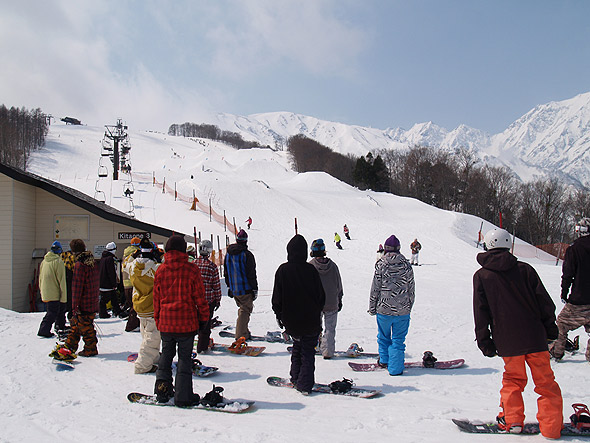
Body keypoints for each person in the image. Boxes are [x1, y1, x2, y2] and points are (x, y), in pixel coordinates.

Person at [473, 228, 562, 438]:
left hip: (508, 340)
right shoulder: (525, 270)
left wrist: (485, 342)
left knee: (513, 380)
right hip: (535, 337)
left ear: (488, 246)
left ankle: (512, 420)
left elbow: (481, 312)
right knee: (546, 382)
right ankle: (551, 427)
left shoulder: (482, 275)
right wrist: (550, 330)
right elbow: (545, 304)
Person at [153, 235, 210, 407]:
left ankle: (162, 392)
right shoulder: (191, 270)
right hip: (186, 323)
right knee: (184, 359)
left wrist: (158, 319)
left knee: (166, 356)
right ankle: (183, 396)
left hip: (166, 322)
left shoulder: (161, 270)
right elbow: (200, 298)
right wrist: (204, 318)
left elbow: (156, 299)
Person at [272, 235, 325, 394]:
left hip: (291, 321)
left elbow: (277, 297)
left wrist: (279, 314)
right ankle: (305, 384)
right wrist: (317, 311)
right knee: (307, 351)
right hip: (310, 320)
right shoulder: (311, 270)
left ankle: (296, 377)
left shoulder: (283, 270)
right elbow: (321, 296)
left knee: (297, 347)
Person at [368, 234, 415, 376]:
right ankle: (395, 368)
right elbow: (411, 288)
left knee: (383, 336)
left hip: (384, 308)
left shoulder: (381, 264)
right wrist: (409, 306)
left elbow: (375, 288)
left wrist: (372, 307)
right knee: (398, 339)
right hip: (402, 310)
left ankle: (384, 360)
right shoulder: (406, 265)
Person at [549, 217, 590, 362]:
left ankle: (557, 351)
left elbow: (568, 274)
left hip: (579, 298)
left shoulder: (574, 249)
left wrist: (564, 292)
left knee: (562, 324)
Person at [128, 238, 161, 374]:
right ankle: (142, 365)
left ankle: (153, 358)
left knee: (146, 334)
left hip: (138, 304)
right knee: (152, 338)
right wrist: (159, 257)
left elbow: (125, 264)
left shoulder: (132, 266)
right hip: (152, 305)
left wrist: (133, 255)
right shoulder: (155, 267)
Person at [63, 239, 100, 357]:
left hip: (83, 302)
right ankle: (69, 346)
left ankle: (90, 348)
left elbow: (77, 287)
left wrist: (74, 306)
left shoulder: (80, 265)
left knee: (85, 327)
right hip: (92, 299)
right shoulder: (92, 262)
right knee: (77, 324)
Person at [309, 238, 343, 359]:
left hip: (315, 303)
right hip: (331, 301)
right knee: (330, 329)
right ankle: (328, 351)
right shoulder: (333, 266)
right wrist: (339, 298)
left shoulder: (310, 266)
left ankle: (314, 347)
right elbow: (338, 284)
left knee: (314, 327)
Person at [224, 229, 258, 340]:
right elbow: (251, 273)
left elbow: (226, 272)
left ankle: (244, 330)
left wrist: (229, 286)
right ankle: (241, 334)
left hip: (234, 288)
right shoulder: (246, 255)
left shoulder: (228, 254)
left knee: (243, 309)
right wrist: (254, 288)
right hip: (245, 288)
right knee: (245, 310)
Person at [195, 239, 222, 353]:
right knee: (205, 326)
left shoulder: (193, 264)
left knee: (194, 323)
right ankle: (202, 347)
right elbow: (216, 285)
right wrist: (218, 299)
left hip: (194, 300)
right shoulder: (211, 266)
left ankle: (190, 343)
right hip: (208, 300)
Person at [37, 241, 68, 338]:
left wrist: (41, 290)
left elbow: (40, 277)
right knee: (53, 312)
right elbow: (62, 280)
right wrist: (64, 298)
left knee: (54, 310)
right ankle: (44, 330)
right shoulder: (58, 262)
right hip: (54, 292)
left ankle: (60, 325)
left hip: (46, 291)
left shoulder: (44, 261)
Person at [98, 241, 123, 318]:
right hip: (108, 283)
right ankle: (104, 313)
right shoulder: (110, 259)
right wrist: (114, 283)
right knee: (106, 299)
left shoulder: (103, 258)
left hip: (102, 282)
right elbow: (111, 272)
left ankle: (116, 310)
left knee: (113, 297)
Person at [123, 237, 141, 332]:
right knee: (135, 305)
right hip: (134, 282)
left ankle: (134, 323)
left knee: (132, 305)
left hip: (125, 283)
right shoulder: (136, 254)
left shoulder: (125, 255)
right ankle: (132, 325)